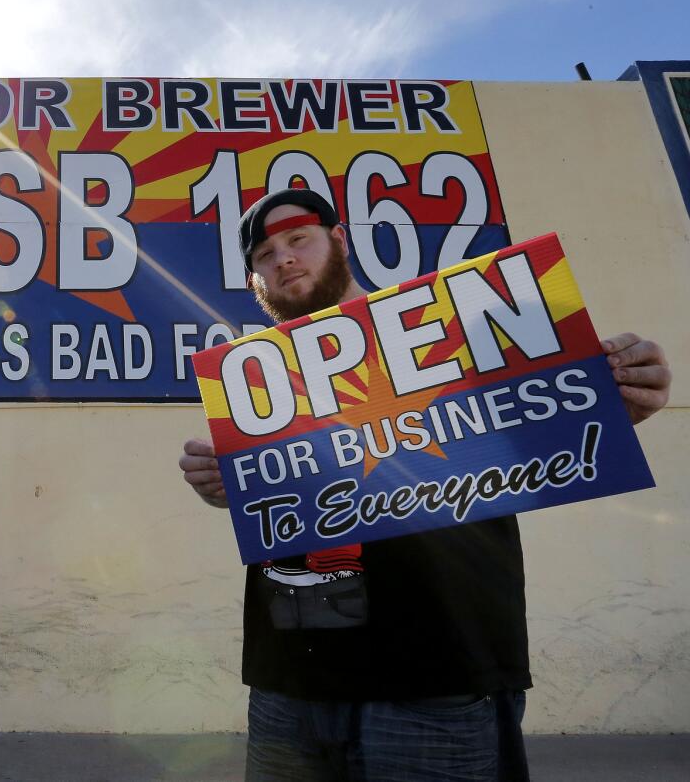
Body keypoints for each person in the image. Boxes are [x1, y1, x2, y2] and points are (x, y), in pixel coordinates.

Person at [177, 188, 672, 781]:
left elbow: (552, 418)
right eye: (262, 254)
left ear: (340, 239)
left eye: (297, 239)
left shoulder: (453, 335)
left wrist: (613, 396)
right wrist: (222, 488)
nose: (281, 258)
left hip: (439, 676)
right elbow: (277, 503)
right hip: (290, 685)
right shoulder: (257, 383)